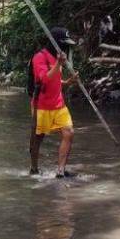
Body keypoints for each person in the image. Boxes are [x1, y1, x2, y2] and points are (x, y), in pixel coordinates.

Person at [30, 27, 80, 178]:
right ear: (55, 43)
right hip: (42, 106)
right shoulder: (39, 57)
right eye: (63, 43)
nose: (66, 47)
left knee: (69, 132)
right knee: (37, 139)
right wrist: (59, 64)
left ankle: (60, 171)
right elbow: (44, 79)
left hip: (59, 105)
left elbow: (56, 81)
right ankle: (34, 169)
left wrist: (69, 82)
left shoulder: (56, 58)